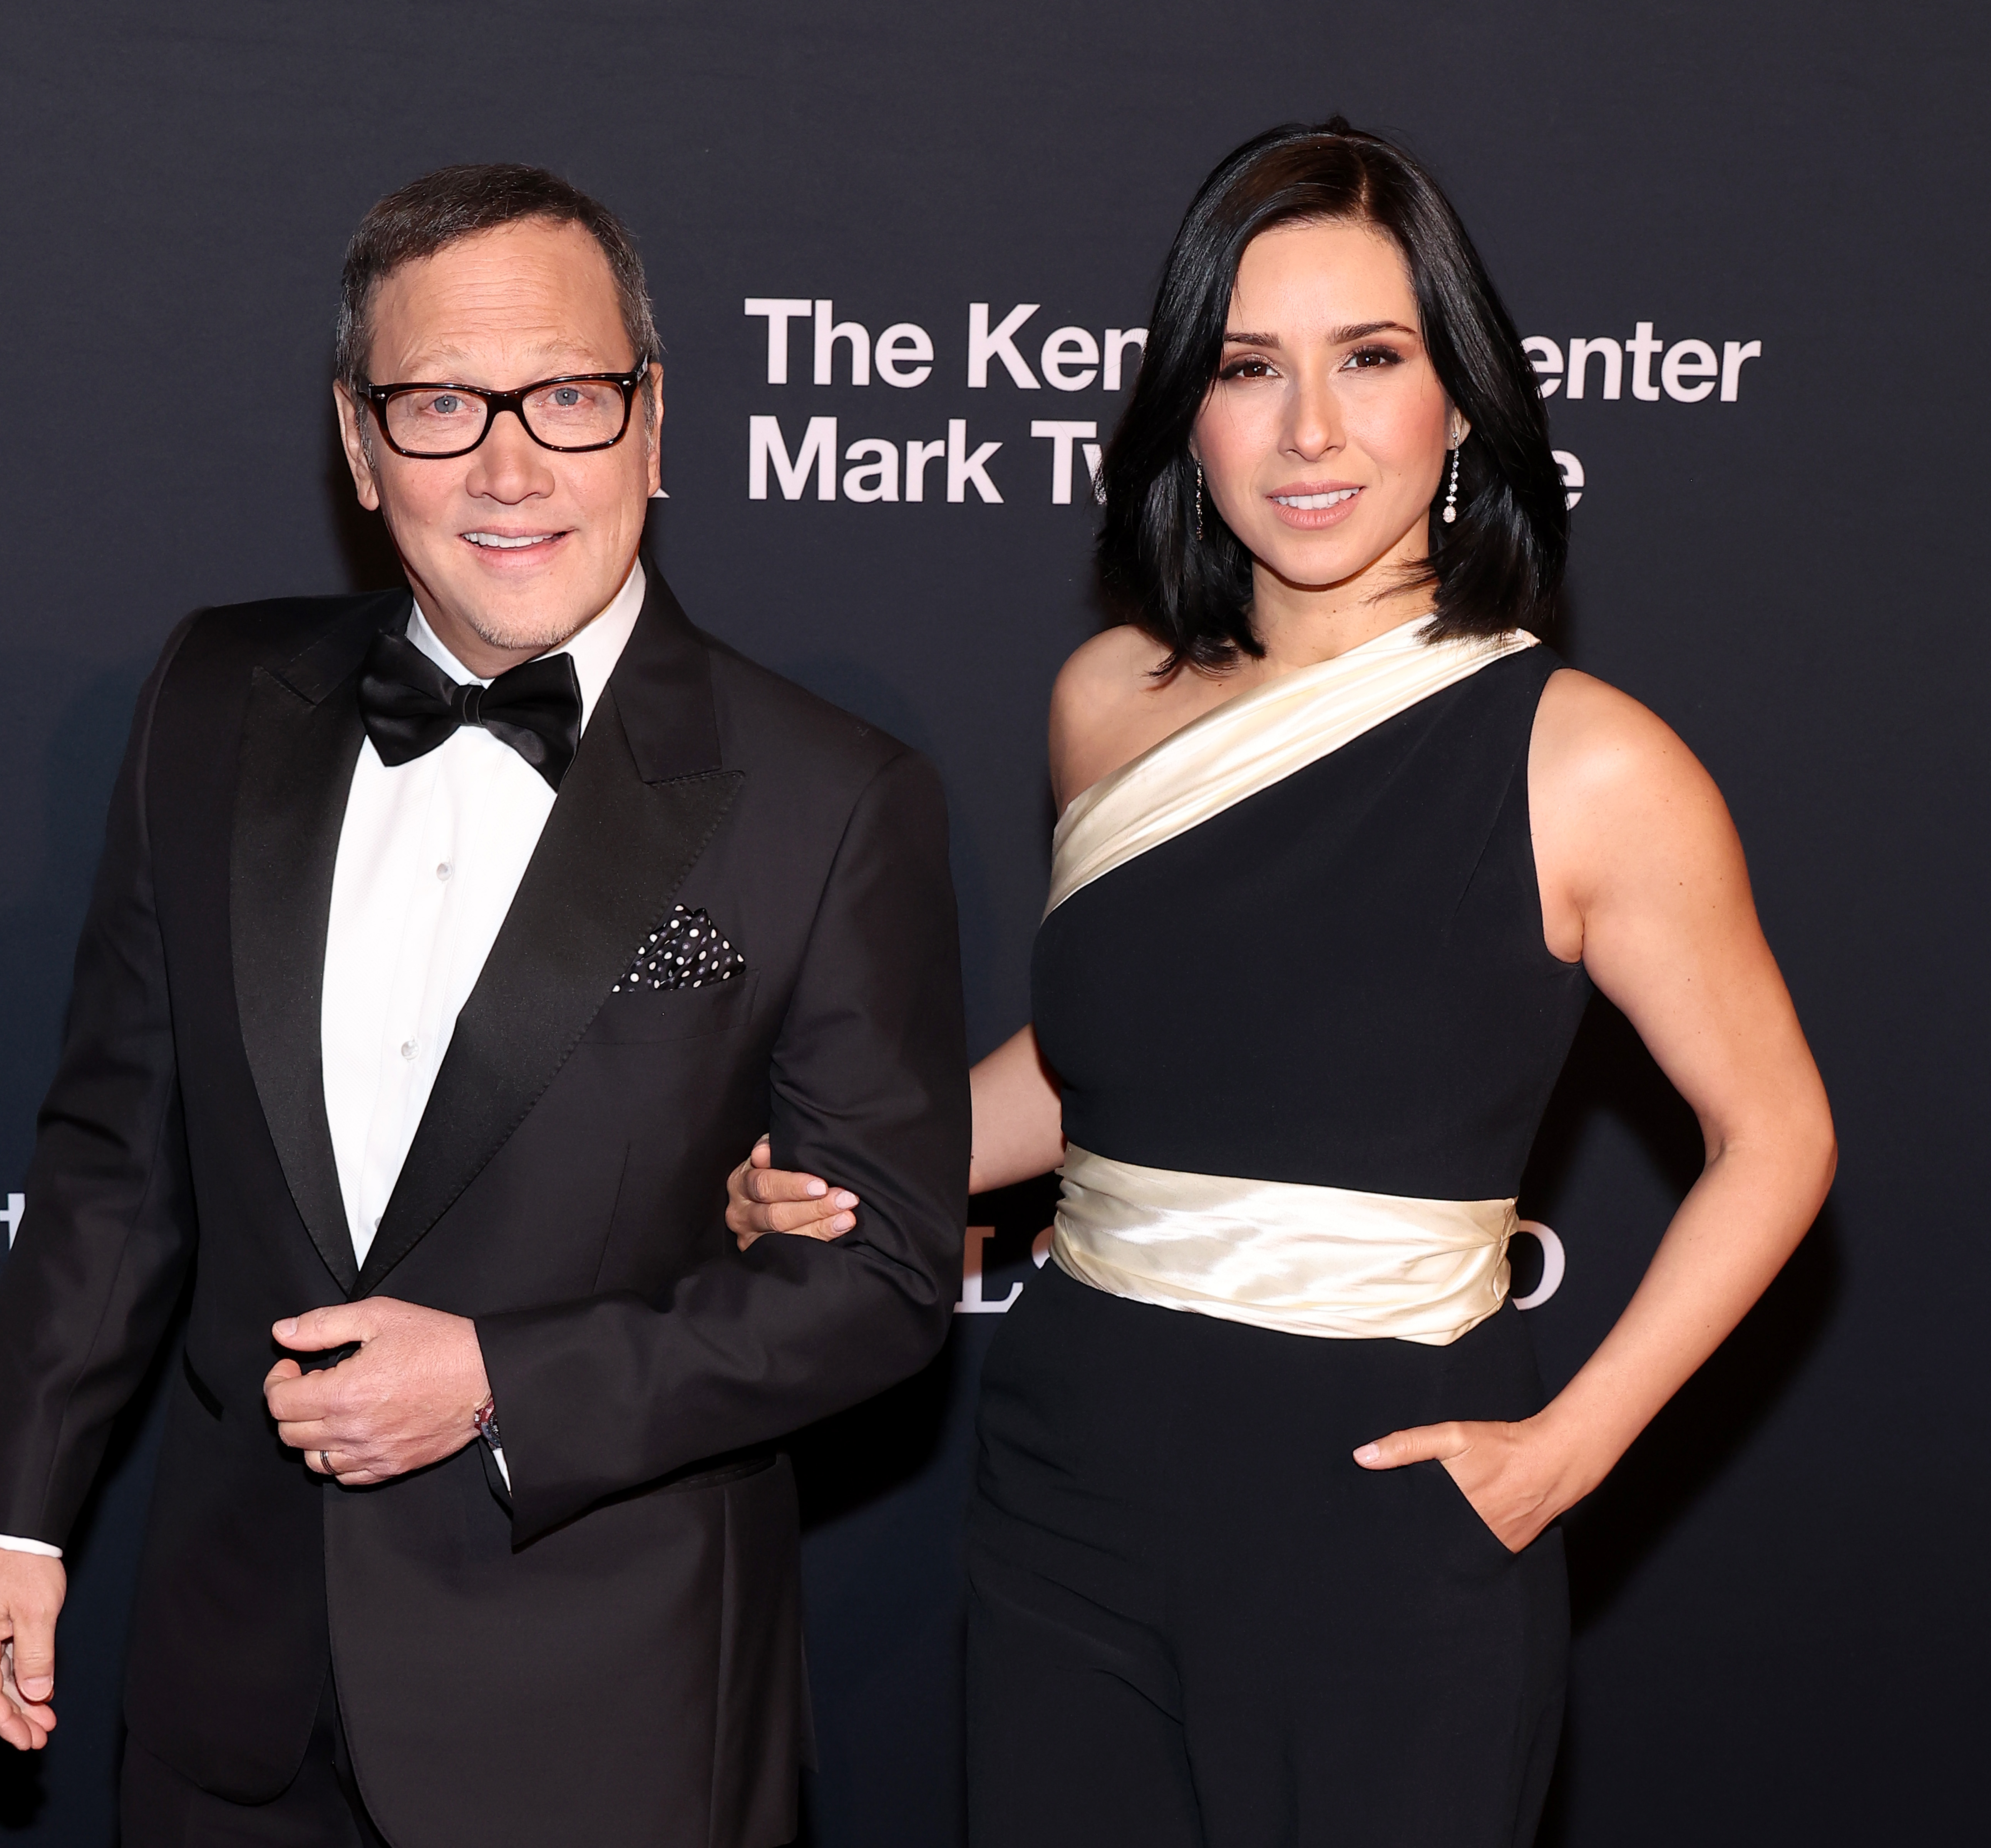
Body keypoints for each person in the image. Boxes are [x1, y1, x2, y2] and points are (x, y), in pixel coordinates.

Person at [728, 119, 1836, 1847]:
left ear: (1459, 400)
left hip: (1389, 1520)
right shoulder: (1110, 700)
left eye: (1370, 359)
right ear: (1189, 408)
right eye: (1250, 368)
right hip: (1070, 1479)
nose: (1309, 430)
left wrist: (1567, 1452)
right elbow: (1112, 1070)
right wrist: (875, 1163)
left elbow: (1776, 1139)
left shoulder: (1589, 764)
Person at [0, 163, 969, 1848]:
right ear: (358, 445)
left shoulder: (828, 798)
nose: (508, 466)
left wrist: (502, 1379)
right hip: (230, 1700)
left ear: (655, 422)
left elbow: (876, 1282)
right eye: (438, 405)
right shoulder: (214, 699)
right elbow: (117, 1157)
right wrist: (21, 1519)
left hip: (603, 1719)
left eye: (566, 396)